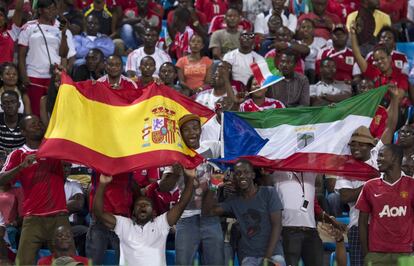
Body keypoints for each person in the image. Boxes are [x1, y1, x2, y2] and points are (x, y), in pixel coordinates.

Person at [335, 86, 402, 266]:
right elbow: (345, 196)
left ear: (370, 146)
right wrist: (373, 182)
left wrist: (395, 99)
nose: (356, 147)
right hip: (358, 227)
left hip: (383, 224)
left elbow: (390, 126)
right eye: (353, 144)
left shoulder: (377, 156)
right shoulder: (346, 167)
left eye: (361, 144)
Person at [93, 160, 195, 265]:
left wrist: (191, 178)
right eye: (139, 205)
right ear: (133, 213)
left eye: (147, 204)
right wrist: (102, 184)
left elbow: (182, 204)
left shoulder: (161, 224)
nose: (142, 206)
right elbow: (99, 213)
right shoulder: (124, 224)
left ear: (154, 212)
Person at [0, 115, 69, 265]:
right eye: (33, 125)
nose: (38, 126)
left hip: (59, 216)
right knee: (23, 262)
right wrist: (21, 167)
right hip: (33, 219)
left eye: (39, 123)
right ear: (23, 132)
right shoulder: (18, 154)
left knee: (70, 262)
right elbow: (1, 180)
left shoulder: (55, 151)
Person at [162, 114, 224, 266]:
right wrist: (175, 173)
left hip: (211, 217)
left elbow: (232, 152)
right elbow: (163, 187)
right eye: (187, 130)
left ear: (200, 131)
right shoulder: (175, 154)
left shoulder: (212, 147)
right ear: (180, 133)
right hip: (186, 218)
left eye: (195, 128)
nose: (192, 133)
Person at [204, 159, 286, 266]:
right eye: (238, 173)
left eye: (246, 172)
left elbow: (277, 226)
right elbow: (208, 211)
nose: (242, 176)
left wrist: (267, 259)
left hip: (273, 255)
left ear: (252, 175)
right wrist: (213, 186)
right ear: (234, 177)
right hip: (249, 258)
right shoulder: (234, 201)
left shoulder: (268, 193)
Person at [356, 144, 414, 266]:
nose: (377, 159)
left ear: (394, 158)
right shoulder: (369, 186)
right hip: (377, 254)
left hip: (406, 253)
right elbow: (362, 222)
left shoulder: (411, 185)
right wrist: (367, 254)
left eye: (381, 155)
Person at [18, 0, 76, 116]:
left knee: (54, 113)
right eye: (48, 8)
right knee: (35, 113)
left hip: (54, 78)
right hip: (34, 76)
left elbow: (64, 54)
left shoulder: (61, 29)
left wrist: (64, 34)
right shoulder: (29, 27)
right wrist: (23, 75)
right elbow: (21, 55)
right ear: (40, 10)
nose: (51, 11)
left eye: (53, 9)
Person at [296, 18, 327, 83]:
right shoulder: (297, 44)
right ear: (299, 29)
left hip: (317, 71)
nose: (306, 29)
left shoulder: (321, 41)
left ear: (313, 30)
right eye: (303, 27)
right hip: (302, 70)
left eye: (309, 27)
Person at [0, 0, 23, 64]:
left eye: (1, 15)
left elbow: (19, 9)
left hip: (6, 71)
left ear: (5, 19)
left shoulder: (12, 31)